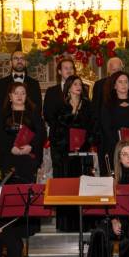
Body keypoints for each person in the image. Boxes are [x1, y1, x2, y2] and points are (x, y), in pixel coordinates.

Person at [48, 74, 96, 231]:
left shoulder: (88, 106)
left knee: (84, 189)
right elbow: (55, 133)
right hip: (66, 157)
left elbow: (94, 130)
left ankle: (85, 225)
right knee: (68, 190)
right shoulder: (61, 107)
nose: (78, 86)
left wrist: (84, 143)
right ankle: (67, 226)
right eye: (75, 84)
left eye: (80, 84)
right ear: (68, 88)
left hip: (83, 157)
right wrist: (67, 145)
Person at [0, 82, 46, 183]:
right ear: (10, 96)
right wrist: (11, 148)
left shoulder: (34, 115)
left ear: (26, 96)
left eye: (23, 93)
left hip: (29, 158)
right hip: (8, 158)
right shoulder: (2, 116)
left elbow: (41, 135)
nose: (19, 96)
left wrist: (31, 147)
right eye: (16, 93)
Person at [97, 70, 129, 174]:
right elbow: (106, 128)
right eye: (120, 82)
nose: (123, 84)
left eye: (126, 82)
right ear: (114, 86)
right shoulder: (107, 105)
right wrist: (119, 146)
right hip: (114, 148)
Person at [43, 57, 89, 128]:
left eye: (71, 68)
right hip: (58, 133)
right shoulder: (51, 91)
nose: (69, 70)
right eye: (66, 68)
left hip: (79, 132)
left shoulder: (82, 89)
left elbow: (87, 113)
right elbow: (48, 114)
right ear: (59, 71)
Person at [0, 50, 41, 114]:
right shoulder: (1, 83)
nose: (19, 61)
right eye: (16, 58)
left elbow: (38, 107)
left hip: (29, 121)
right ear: (10, 63)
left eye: (22, 58)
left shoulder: (34, 83)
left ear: (26, 63)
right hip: (7, 121)